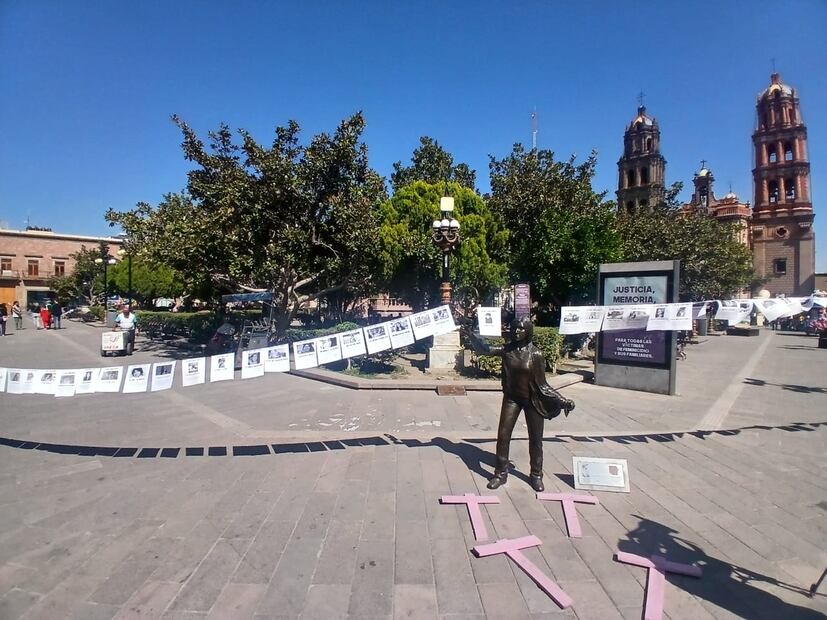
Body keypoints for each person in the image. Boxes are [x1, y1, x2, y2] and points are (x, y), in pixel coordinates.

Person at [464, 316, 575, 492]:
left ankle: (536, 475)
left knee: (536, 439)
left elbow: (543, 385)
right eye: (514, 328)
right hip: (512, 399)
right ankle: (500, 473)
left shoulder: (536, 354)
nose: (516, 332)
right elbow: (484, 349)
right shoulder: (507, 350)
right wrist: (470, 334)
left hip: (533, 400)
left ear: (528, 331)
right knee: (503, 435)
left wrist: (561, 400)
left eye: (521, 329)